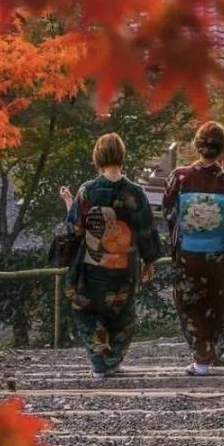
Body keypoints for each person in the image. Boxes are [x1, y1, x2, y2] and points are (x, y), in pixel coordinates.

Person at [58, 132, 161, 378]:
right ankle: (112, 360)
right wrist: (149, 260)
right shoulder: (135, 193)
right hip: (124, 266)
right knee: (122, 314)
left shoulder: (88, 190)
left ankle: (99, 360)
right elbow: (146, 230)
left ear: (98, 157)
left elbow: (74, 230)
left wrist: (70, 204)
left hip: (92, 266)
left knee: (87, 310)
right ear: (122, 156)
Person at [162, 120, 224, 376]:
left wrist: (180, 239)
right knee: (216, 300)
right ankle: (213, 350)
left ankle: (202, 356)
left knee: (191, 303)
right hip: (218, 253)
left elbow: (169, 213)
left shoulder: (180, 176)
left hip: (189, 252)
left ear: (197, 145)